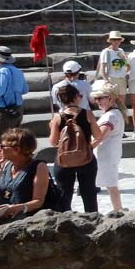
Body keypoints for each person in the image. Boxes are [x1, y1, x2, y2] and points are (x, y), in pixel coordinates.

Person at [48, 83, 102, 212]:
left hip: (64, 160)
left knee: (64, 196)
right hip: (86, 158)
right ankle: (93, 222)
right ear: (76, 97)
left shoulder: (57, 117)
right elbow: (98, 135)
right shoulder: (87, 114)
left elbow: (53, 142)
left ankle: (65, 225)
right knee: (89, 194)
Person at [0, 128, 51, 219]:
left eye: (2, 146)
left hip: (29, 221)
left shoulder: (39, 167)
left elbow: (38, 201)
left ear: (16, 149)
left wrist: (20, 207)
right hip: (5, 221)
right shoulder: (7, 165)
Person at [91, 81, 124, 213]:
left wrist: (86, 149)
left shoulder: (111, 115)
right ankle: (118, 209)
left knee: (111, 183)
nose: (97, 101)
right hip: (109, 152)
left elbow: (100, 136)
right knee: (111, 183)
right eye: (96, 98)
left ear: (110, 98)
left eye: (100, 98)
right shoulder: (113, 113)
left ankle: (118, 209)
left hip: (107, 153)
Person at [0, 46, 28, 146]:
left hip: (5, 110)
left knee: (2, 142)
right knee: (14, 140)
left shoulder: (2, 72)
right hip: (17, 109)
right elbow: (25, 90)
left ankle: (3, 161)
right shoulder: (18, 71)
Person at [97, 31, 129, 116]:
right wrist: (106, 81)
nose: (116, 41)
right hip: (112, 79)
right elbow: (102, 68)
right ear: (110, 40)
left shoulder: (121, 50)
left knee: (122, 104)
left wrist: (125, 60)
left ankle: (120, 124)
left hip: (121, 78)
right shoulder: (106, 52)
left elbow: (126, 65)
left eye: (118, 39)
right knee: (111, 103)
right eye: (114, 39)